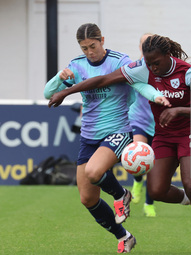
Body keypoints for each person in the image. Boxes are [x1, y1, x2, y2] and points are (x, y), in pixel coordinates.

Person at [48, 34, 191, 255]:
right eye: (148, 63)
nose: (151, 68)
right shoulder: (143, 68)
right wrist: (66, 91)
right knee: (157, 191)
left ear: (168, 56)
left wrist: (178, 109)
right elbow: (103, 80)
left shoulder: (189, 73)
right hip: (164, 136)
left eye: (156, 62)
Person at [44, 23, 168, 253]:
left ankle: (122, 195)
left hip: (118, 130)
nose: (90, 52)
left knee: (94, 171)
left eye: (93, 46)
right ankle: (125, 236)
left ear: (102, 39)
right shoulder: (77, 66)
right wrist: (60, 78)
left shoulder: (120, 62)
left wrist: (157, 96)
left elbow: (140, 84)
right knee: (87, 199)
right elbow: (48, 94)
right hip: (88, 136)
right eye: (84, 48)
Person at [129, 33, 157, 217]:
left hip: (158, 123)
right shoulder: (134, 68)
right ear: (140, 47)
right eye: (145, 43)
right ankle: (137, 180)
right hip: (138, 119)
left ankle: (149, 203)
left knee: (154, 166)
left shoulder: (163, 66)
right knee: (138, 154)